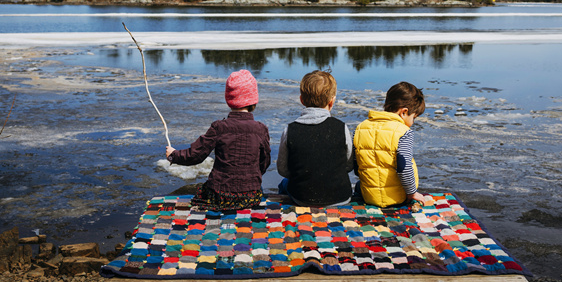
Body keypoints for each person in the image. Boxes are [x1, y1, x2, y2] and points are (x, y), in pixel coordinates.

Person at [166, 69, 270, 211]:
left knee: (202, 191)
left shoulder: (219, 127)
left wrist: (174, 155)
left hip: (221, 195)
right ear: (253, 100)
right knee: (259, 189)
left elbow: (196, 155)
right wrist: (250, 177)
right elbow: (264, 162)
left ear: (229, 99)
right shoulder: (260, 129)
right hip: (250, 196)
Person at [277, 70, 354, 206]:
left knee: (284, 184)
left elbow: (282, 169)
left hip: (302, 198)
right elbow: (348, 165)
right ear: (332, 102)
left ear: (301, 100)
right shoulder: (341, 128)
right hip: (340, 197)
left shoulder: (290, 129)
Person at [353, 81, 425, 207]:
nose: (413, 122)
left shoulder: (361, 127)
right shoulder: (403, 132)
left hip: (368, 196)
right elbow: (405, 168)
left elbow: (355, 164)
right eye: (414, 117)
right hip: (397, 197)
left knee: (360, 185)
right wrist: (412, 193)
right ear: (404, 112)